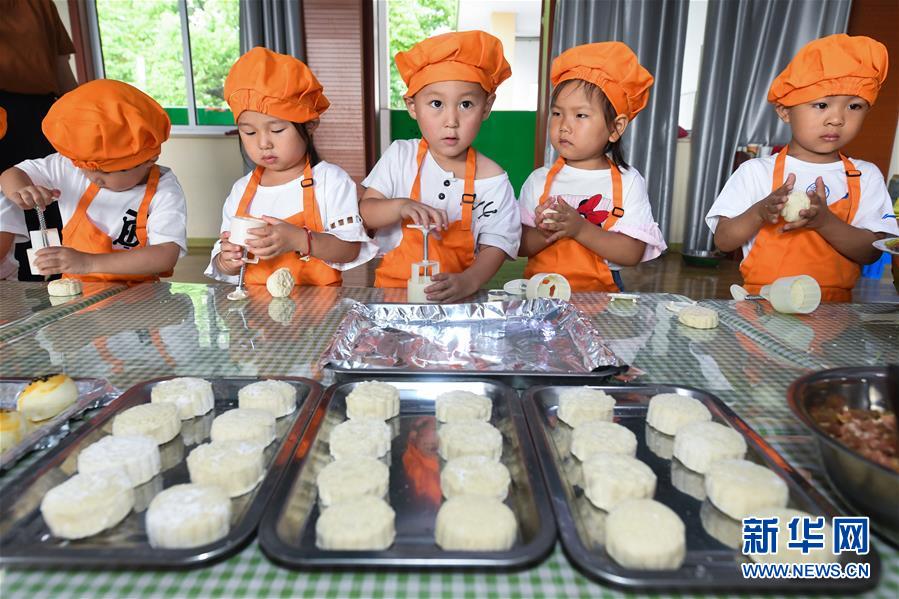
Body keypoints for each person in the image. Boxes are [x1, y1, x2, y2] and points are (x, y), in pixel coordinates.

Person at [707, 34, 898, 302]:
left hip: (834, 314)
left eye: (854, 106)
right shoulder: (756, 172)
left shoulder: (865, 176)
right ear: (785, 111)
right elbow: (723, 241)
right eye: (821, 105)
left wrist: (825, 222)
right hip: (761, 306)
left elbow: (871, 253)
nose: (837, 119)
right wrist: (759, 212)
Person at [360, 30, 521, 302]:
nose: (451, 121)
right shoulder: (400, 156)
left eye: (466, 104)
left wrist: (469, 281)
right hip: (392, 297)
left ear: (486, 107)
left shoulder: (492, 179)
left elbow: (497, 243)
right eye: (436, 103)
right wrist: (400, 207)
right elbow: (366, 213)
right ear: (412, 106)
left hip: (459, 298)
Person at [206, 47, 375, 286]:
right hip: (254, 308)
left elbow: (349, 250)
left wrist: (300, 239)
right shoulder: (241, 190)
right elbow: (224, 256)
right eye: (249, 132)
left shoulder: (330, 181)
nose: (263, 143)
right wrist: (227, 261)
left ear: (309, 125)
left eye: (277, 130)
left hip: (319, 307)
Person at [0, 79, 187, 282]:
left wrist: (87, 263)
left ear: (149, 159)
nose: (95, 178)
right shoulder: (72, 168)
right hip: (76, 290)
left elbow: (165, 255)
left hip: (140, 294)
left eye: (106, 172)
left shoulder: (164, 190)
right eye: (86, 168)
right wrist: (23, 190)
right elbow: (12, 173)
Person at [518, 42, 666, 291]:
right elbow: (519, 246)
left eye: (581, 115)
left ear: (615, 128)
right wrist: (545, 232)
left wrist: (579, 229)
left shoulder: (628, 182)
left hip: (601, 298)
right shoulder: (538, 180)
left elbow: (631, 253)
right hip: (541, 294)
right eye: (557, 113)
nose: (564, 126)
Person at [1, 0, 79, 280]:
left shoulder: (39, 3)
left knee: (47, 200)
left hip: (40, 113)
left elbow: (60, 64)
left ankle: (54, 281)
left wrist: (79, 114)